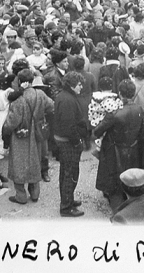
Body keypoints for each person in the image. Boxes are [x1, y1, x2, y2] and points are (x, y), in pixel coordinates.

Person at [2, 68, 54, 205]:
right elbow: (51, 106)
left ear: (19, 81)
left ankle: (21, 195)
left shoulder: (18, 99)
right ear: (32, 81)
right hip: (37, 134)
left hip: (20, 136)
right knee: (34, 162)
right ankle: (35, 193)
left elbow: (11, 122)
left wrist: (4, 131)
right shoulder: (40, 94)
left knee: (18, 164)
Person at [93, 79, 144, 212]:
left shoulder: (115, 113)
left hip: (114, 150)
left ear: (120, 93)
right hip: (132, 148)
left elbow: (97, 131)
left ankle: (118, 210)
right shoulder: (139, 109)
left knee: (114, 179)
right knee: (127, 176)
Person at [53, 71, 89, 217]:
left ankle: (68, 199)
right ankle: (66, 207)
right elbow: (69, 126)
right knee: (70, 174)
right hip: (68, 142)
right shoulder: (68, 100)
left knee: (66, 172)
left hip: (64, 140)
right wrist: (78, 142)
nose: (81, 87)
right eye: (79, 84)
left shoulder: (65, 96)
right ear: (72, 85)